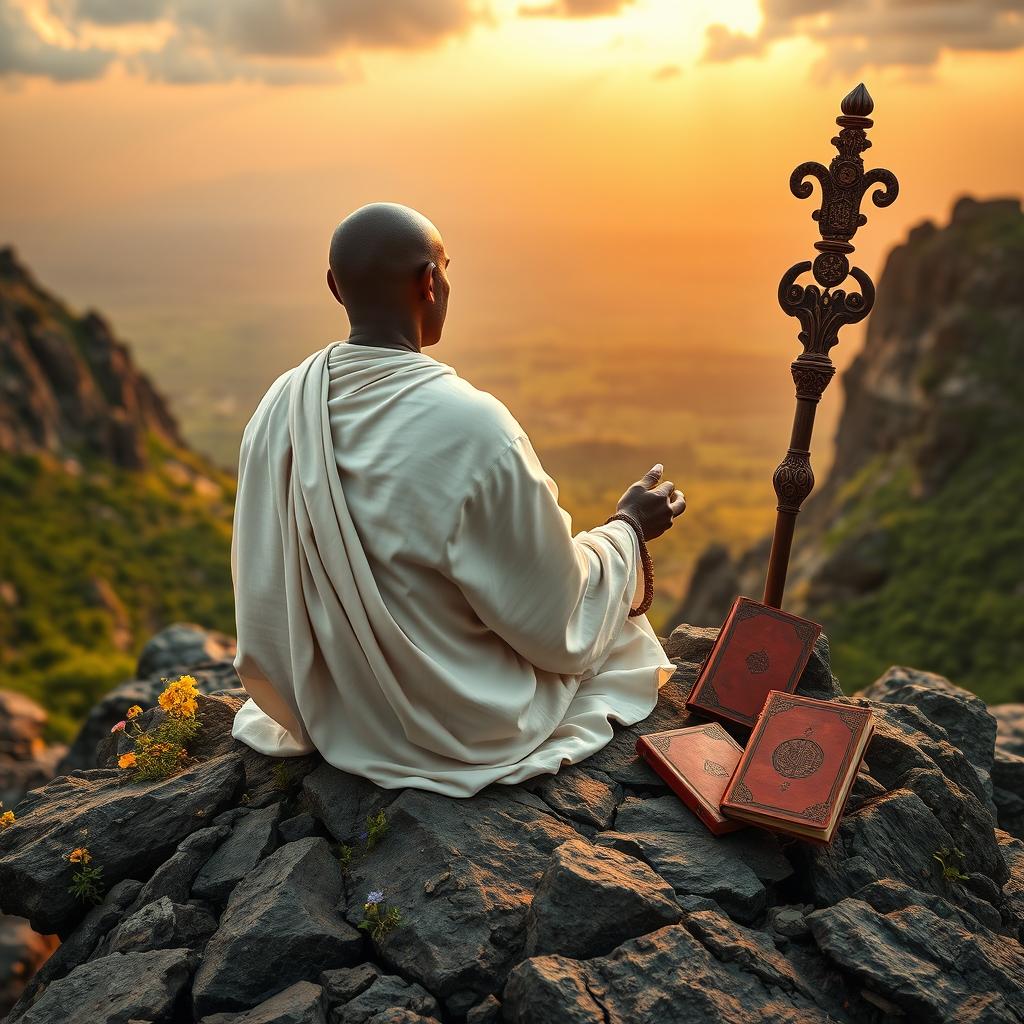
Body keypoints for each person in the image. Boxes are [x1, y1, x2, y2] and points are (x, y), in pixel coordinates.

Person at [229, 202, 683, 797]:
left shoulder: (279, 404)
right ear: (429, 282)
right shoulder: (474, 428)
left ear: (334, 286)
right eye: (446, 269)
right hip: (450, 725)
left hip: (313, 703)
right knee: (618, 635)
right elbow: (557, 620)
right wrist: (625, 530)